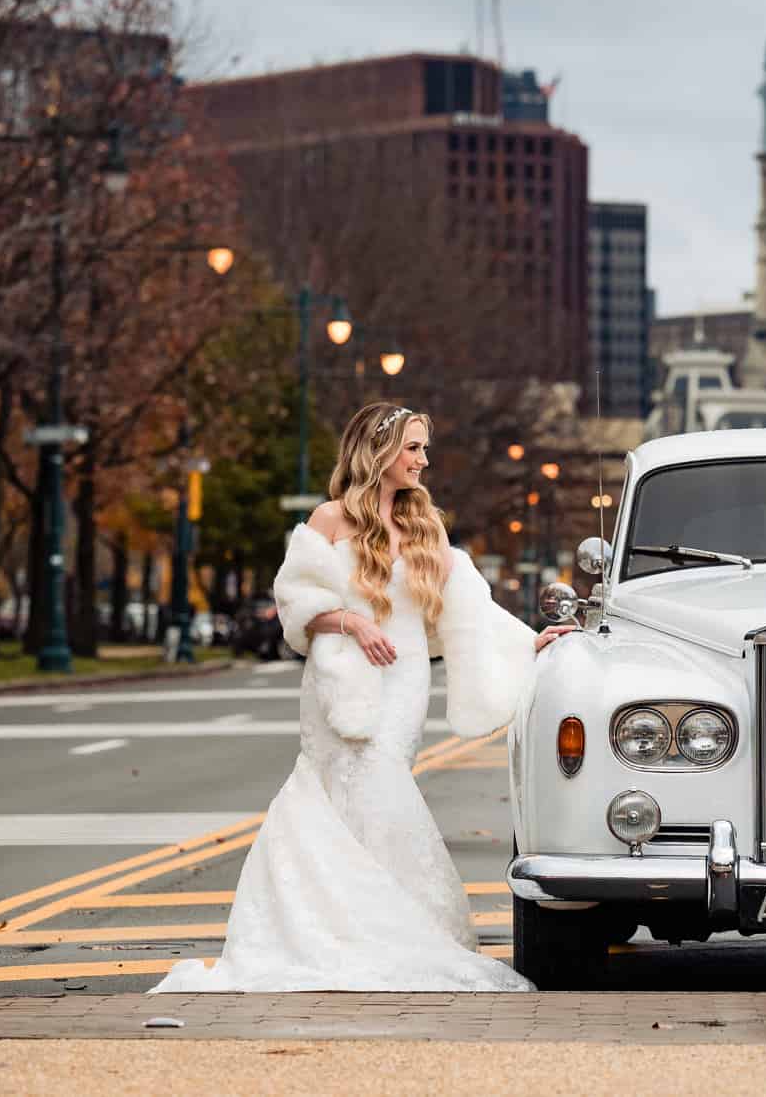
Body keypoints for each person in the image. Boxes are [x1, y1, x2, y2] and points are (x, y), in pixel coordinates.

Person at [153, 403, 578, 993]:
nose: (423, 460)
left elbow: (470, 612)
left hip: (405, 683)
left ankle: (385, 930)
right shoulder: (328, 520)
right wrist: (351, 623)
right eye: (413, 448)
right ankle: (340, 932)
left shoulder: (426, 525)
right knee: (338, 790)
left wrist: (534, 642)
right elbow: (296, 604)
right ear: (377, 450)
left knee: (381, 787)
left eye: (424, 448)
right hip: (344, 678)